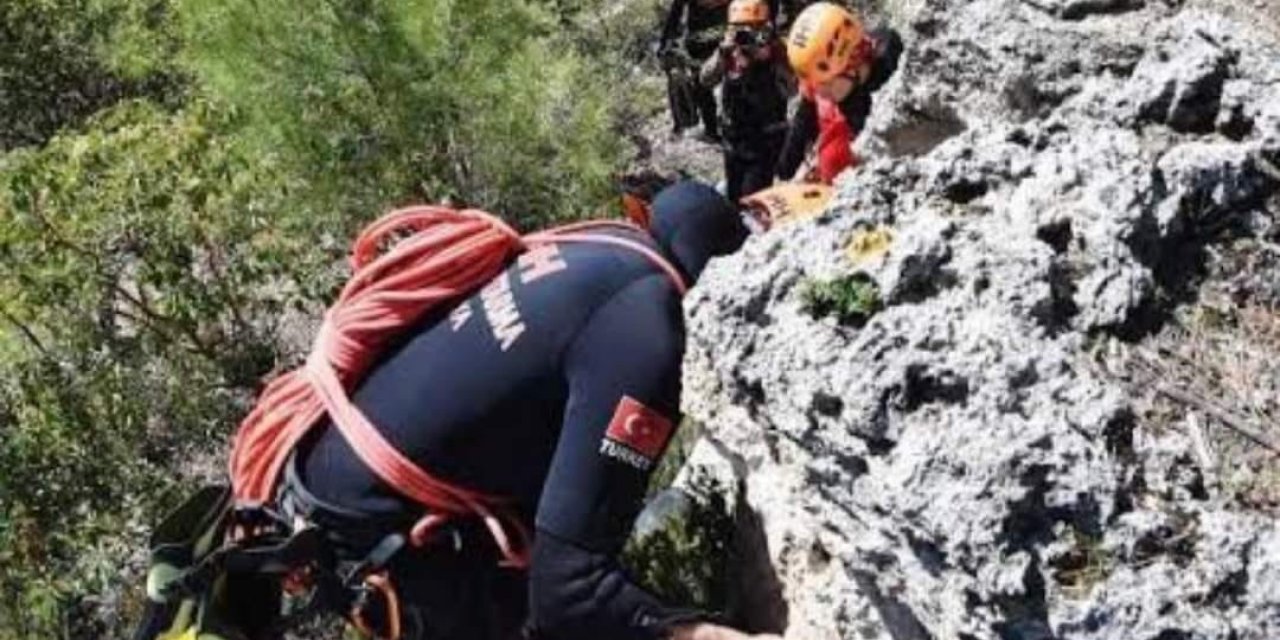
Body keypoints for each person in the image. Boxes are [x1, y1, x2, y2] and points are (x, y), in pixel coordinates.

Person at [235, 181, 776, 640]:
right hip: (385, 535)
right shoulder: (649, 329)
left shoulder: (592, 246)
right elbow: (569, 589)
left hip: (318, 476)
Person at [774, 2, 903, 185]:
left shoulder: (893, 84)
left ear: (853, 65)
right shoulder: (822, 72)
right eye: (814, 83)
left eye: (825, 84)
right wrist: (785, 167)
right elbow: (804, 118)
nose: (820, 91)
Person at [700, 0, 793, 202]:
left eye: (753, 27)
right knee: (734, 199)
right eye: (739, 28)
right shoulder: (728, 53)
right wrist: (722, 55)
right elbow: (705, 79)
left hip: (764, 141)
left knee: (752, 201)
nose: (746, 34)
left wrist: (772, 58)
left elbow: (794, 88)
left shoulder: (776, 51)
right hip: (734, 139)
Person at [658, 0, 733, 141]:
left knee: (700, 81)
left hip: (709, 35)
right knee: (701, 81)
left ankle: (708, 128)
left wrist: (665, 44)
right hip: (713, 34)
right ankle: (710, 127)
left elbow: (675, 16)